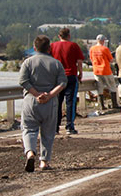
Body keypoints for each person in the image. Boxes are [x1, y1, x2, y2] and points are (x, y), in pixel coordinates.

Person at [18, 35, 66, 171]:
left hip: (31, 100)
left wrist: (36, 94)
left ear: (34, 48)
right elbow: (62, 83)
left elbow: (23, 81)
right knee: (48, 132)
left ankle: (30, 152)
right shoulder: (56, 63)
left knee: (28, 129)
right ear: (49, 48)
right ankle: (44, 162)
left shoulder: (28, 62)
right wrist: (49, 95)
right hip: (50, 102)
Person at [49, 27, 86, 134]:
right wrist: (80, 73)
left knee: (57, 103)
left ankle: (55, 127)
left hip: (57, 77)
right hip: (70, 76)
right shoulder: (73, 46)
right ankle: (70, 126)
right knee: (70, 102)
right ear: (69, 36)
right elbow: (79, 61)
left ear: (59, 36)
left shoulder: (53, 46)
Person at [89, 34, 116, 111]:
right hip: (105, 70)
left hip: (96, 70)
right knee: (112, 87)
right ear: (103, 41)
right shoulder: (105, 49)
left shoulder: (92, 49)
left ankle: (102, 105)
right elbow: (111, 60)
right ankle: (114, 104)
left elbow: (91, 59)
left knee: (100, 88)